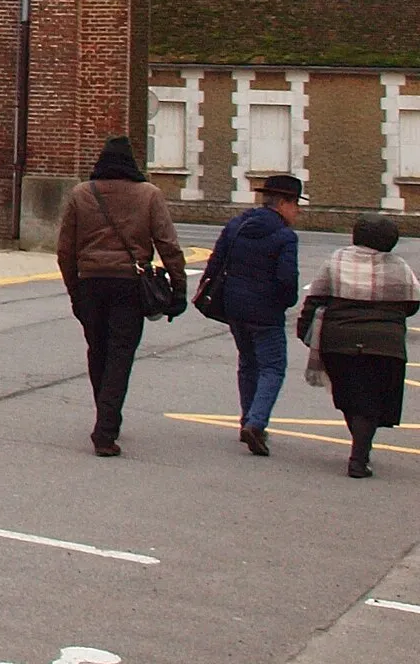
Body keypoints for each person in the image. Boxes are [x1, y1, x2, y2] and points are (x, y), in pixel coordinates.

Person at [56, 137, 187, 457]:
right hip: (129, 284)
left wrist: (74, 290)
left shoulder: (81, 194)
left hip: (90, 283)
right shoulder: (149, 195)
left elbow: (64, 249)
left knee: (97, 350)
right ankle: (106, 428)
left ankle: (106, 414)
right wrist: (179, 287)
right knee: (120, 355)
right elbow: (168, 244)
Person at [298, 215, 420, 477]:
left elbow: (315, 297)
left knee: (349, 397)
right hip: (385, 343)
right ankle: (359, 455)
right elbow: (411, 304)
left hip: (338, 340)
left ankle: (359, 450)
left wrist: (304, 329)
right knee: (373, 401)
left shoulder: (337, 260)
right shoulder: (399, 266)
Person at [196, 173, 300, 455]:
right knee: (273, 367)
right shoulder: (285, 236)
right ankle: (256, 423)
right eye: (296, 205)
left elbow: (215, 262)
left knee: (248, 363)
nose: (298, 212)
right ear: (284, 203)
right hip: (266, 311)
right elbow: (287, 280)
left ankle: (247, 419)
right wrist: (285, 303)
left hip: (234, 307)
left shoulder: (237, 225)